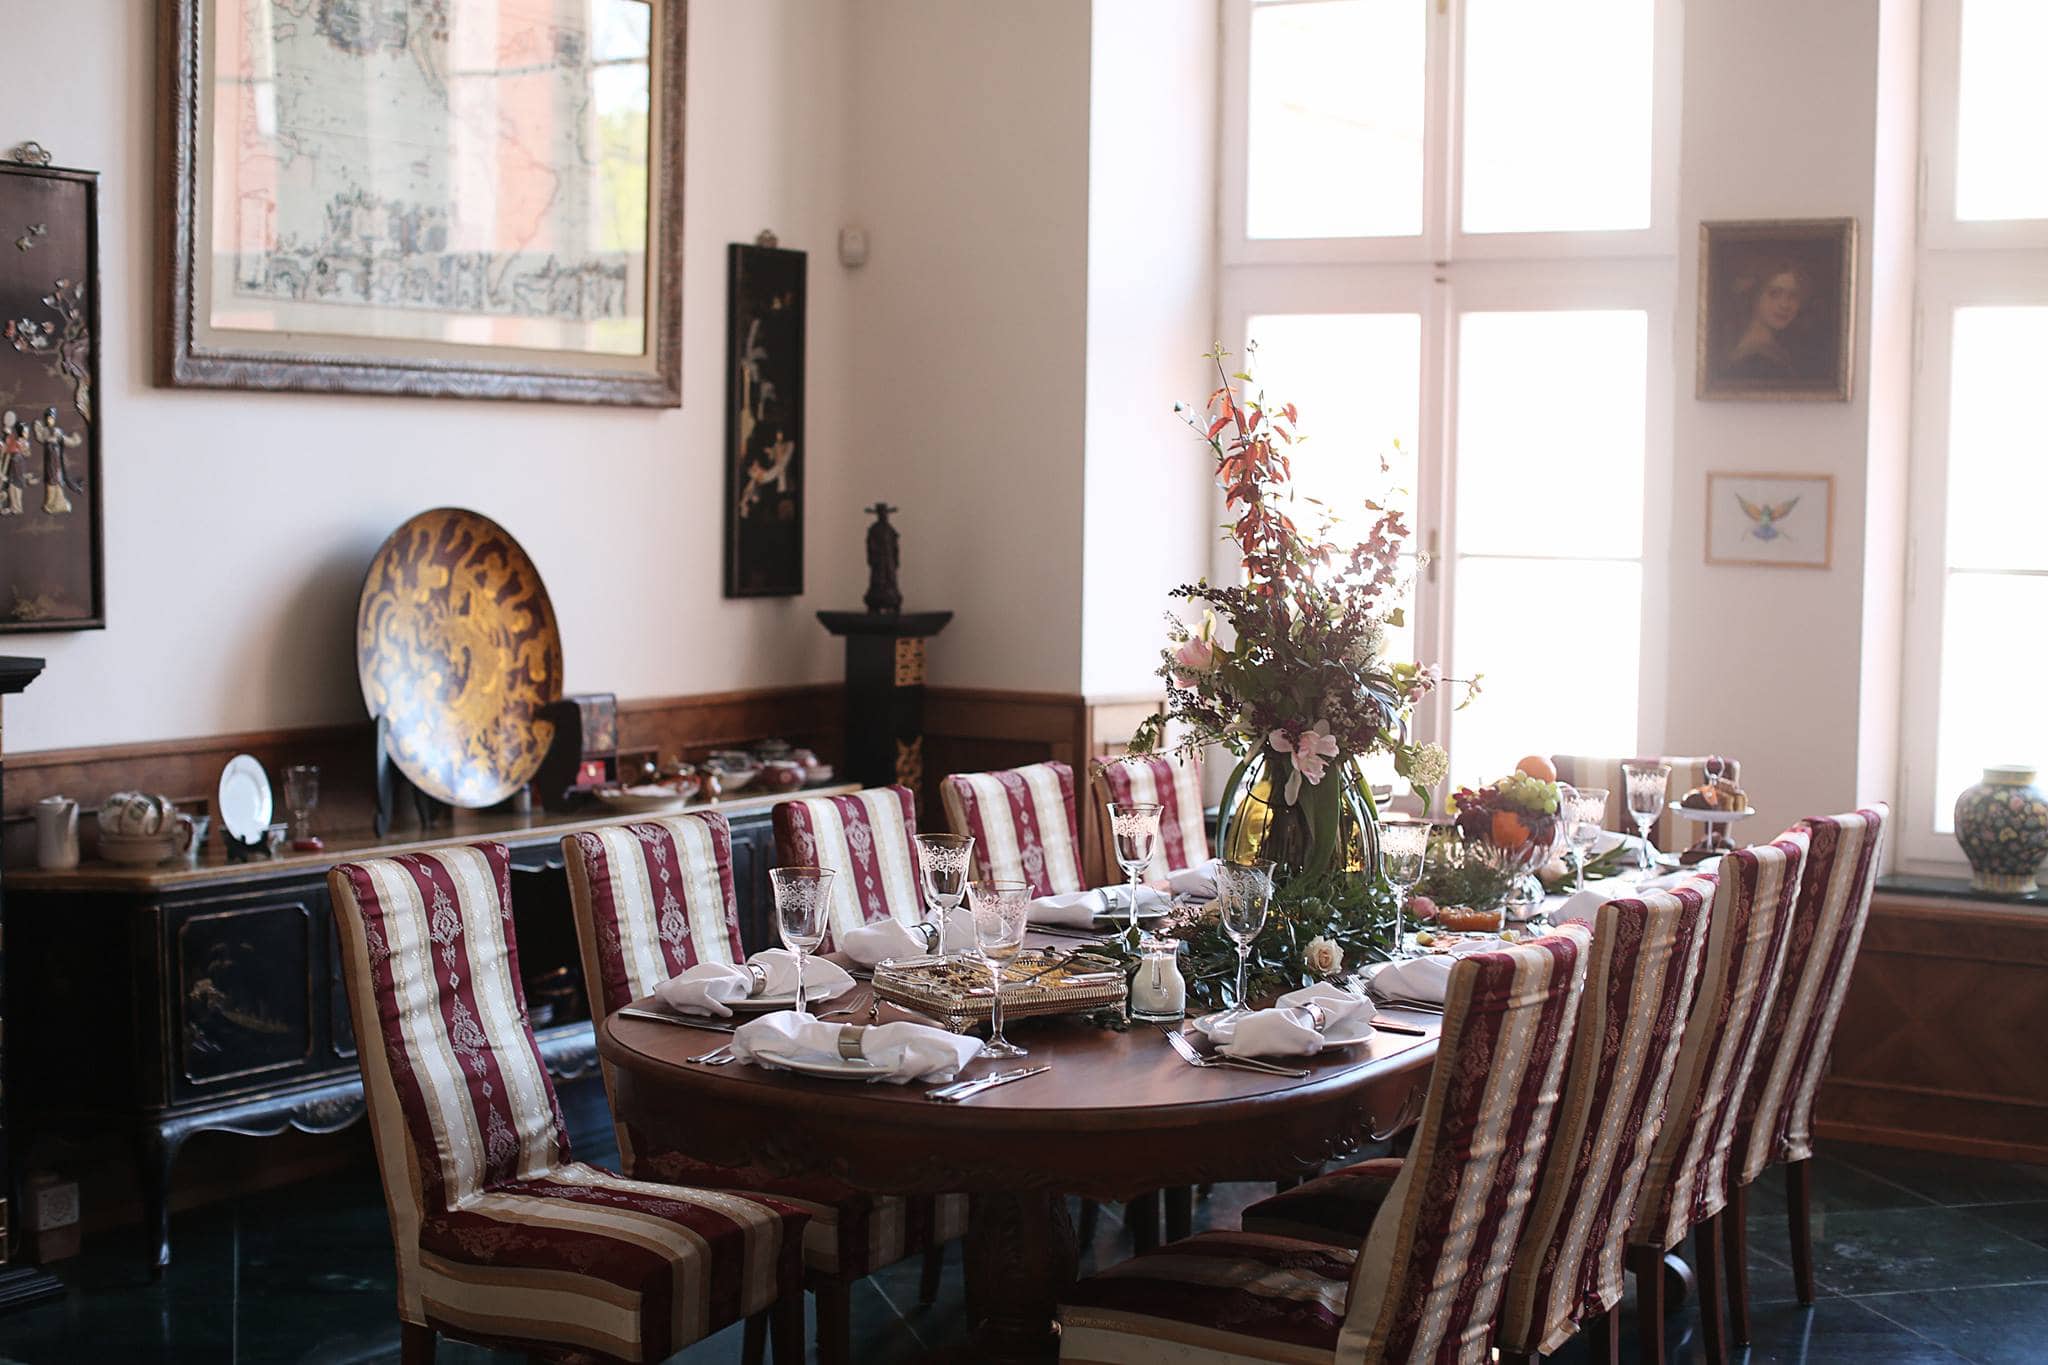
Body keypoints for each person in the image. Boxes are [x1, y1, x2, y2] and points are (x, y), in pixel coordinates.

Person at [1725, 258, 1817, 380]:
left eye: (1793, 296)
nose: (1785, 304)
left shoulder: (1777, 348)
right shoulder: (1752, 359)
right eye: (1774, 294)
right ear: (1754, 296)